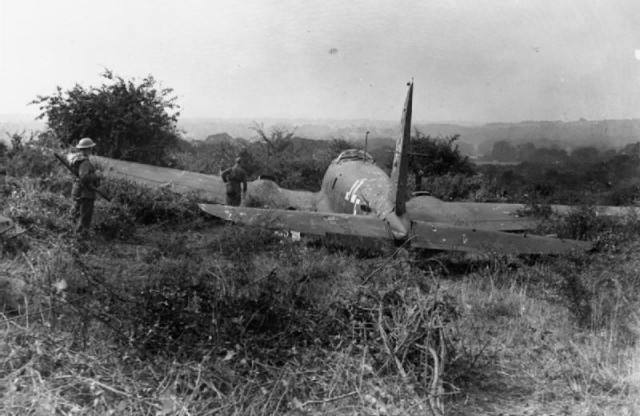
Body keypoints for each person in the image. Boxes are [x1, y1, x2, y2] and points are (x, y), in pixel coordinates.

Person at [69, 138, 101, 237]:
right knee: (84, 218)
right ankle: (80, 240)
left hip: (78, 191)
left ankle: (71, 236)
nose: (91, 150)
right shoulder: (85, 162)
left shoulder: (76, 160)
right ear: (87, 149)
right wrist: (96, 175)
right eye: (90, 148)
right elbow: (83, 177)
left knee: (75, 215)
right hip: (85, 194)